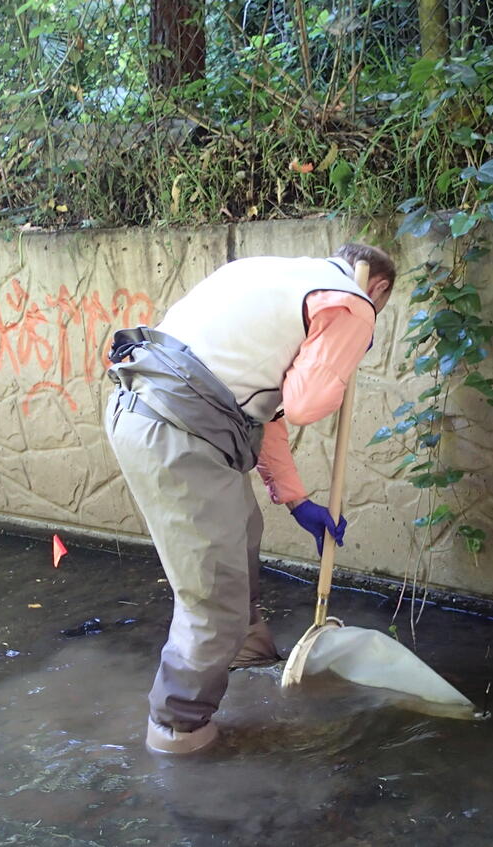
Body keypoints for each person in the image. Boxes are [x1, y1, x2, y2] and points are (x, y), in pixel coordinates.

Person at [104, 243, 396, 754]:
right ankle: (178, 735)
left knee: (241, 538)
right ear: (380, 289)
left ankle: (246, 654)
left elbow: (267, 413)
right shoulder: (353, 303)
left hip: (149, 414)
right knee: (212, 597)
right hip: (179, 434)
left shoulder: (278, 275)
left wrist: (297, 498)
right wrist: (347, 353)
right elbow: (305, 403)